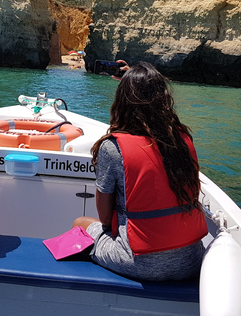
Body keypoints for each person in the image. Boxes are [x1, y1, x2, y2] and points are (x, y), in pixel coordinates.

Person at [73, 62, 207, 281]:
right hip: (191, 260)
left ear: (122, 100)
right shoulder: (182, 140)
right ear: (164, 99)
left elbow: (105, 219)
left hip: (141, 263)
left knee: (80, 223)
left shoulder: (113, 147)